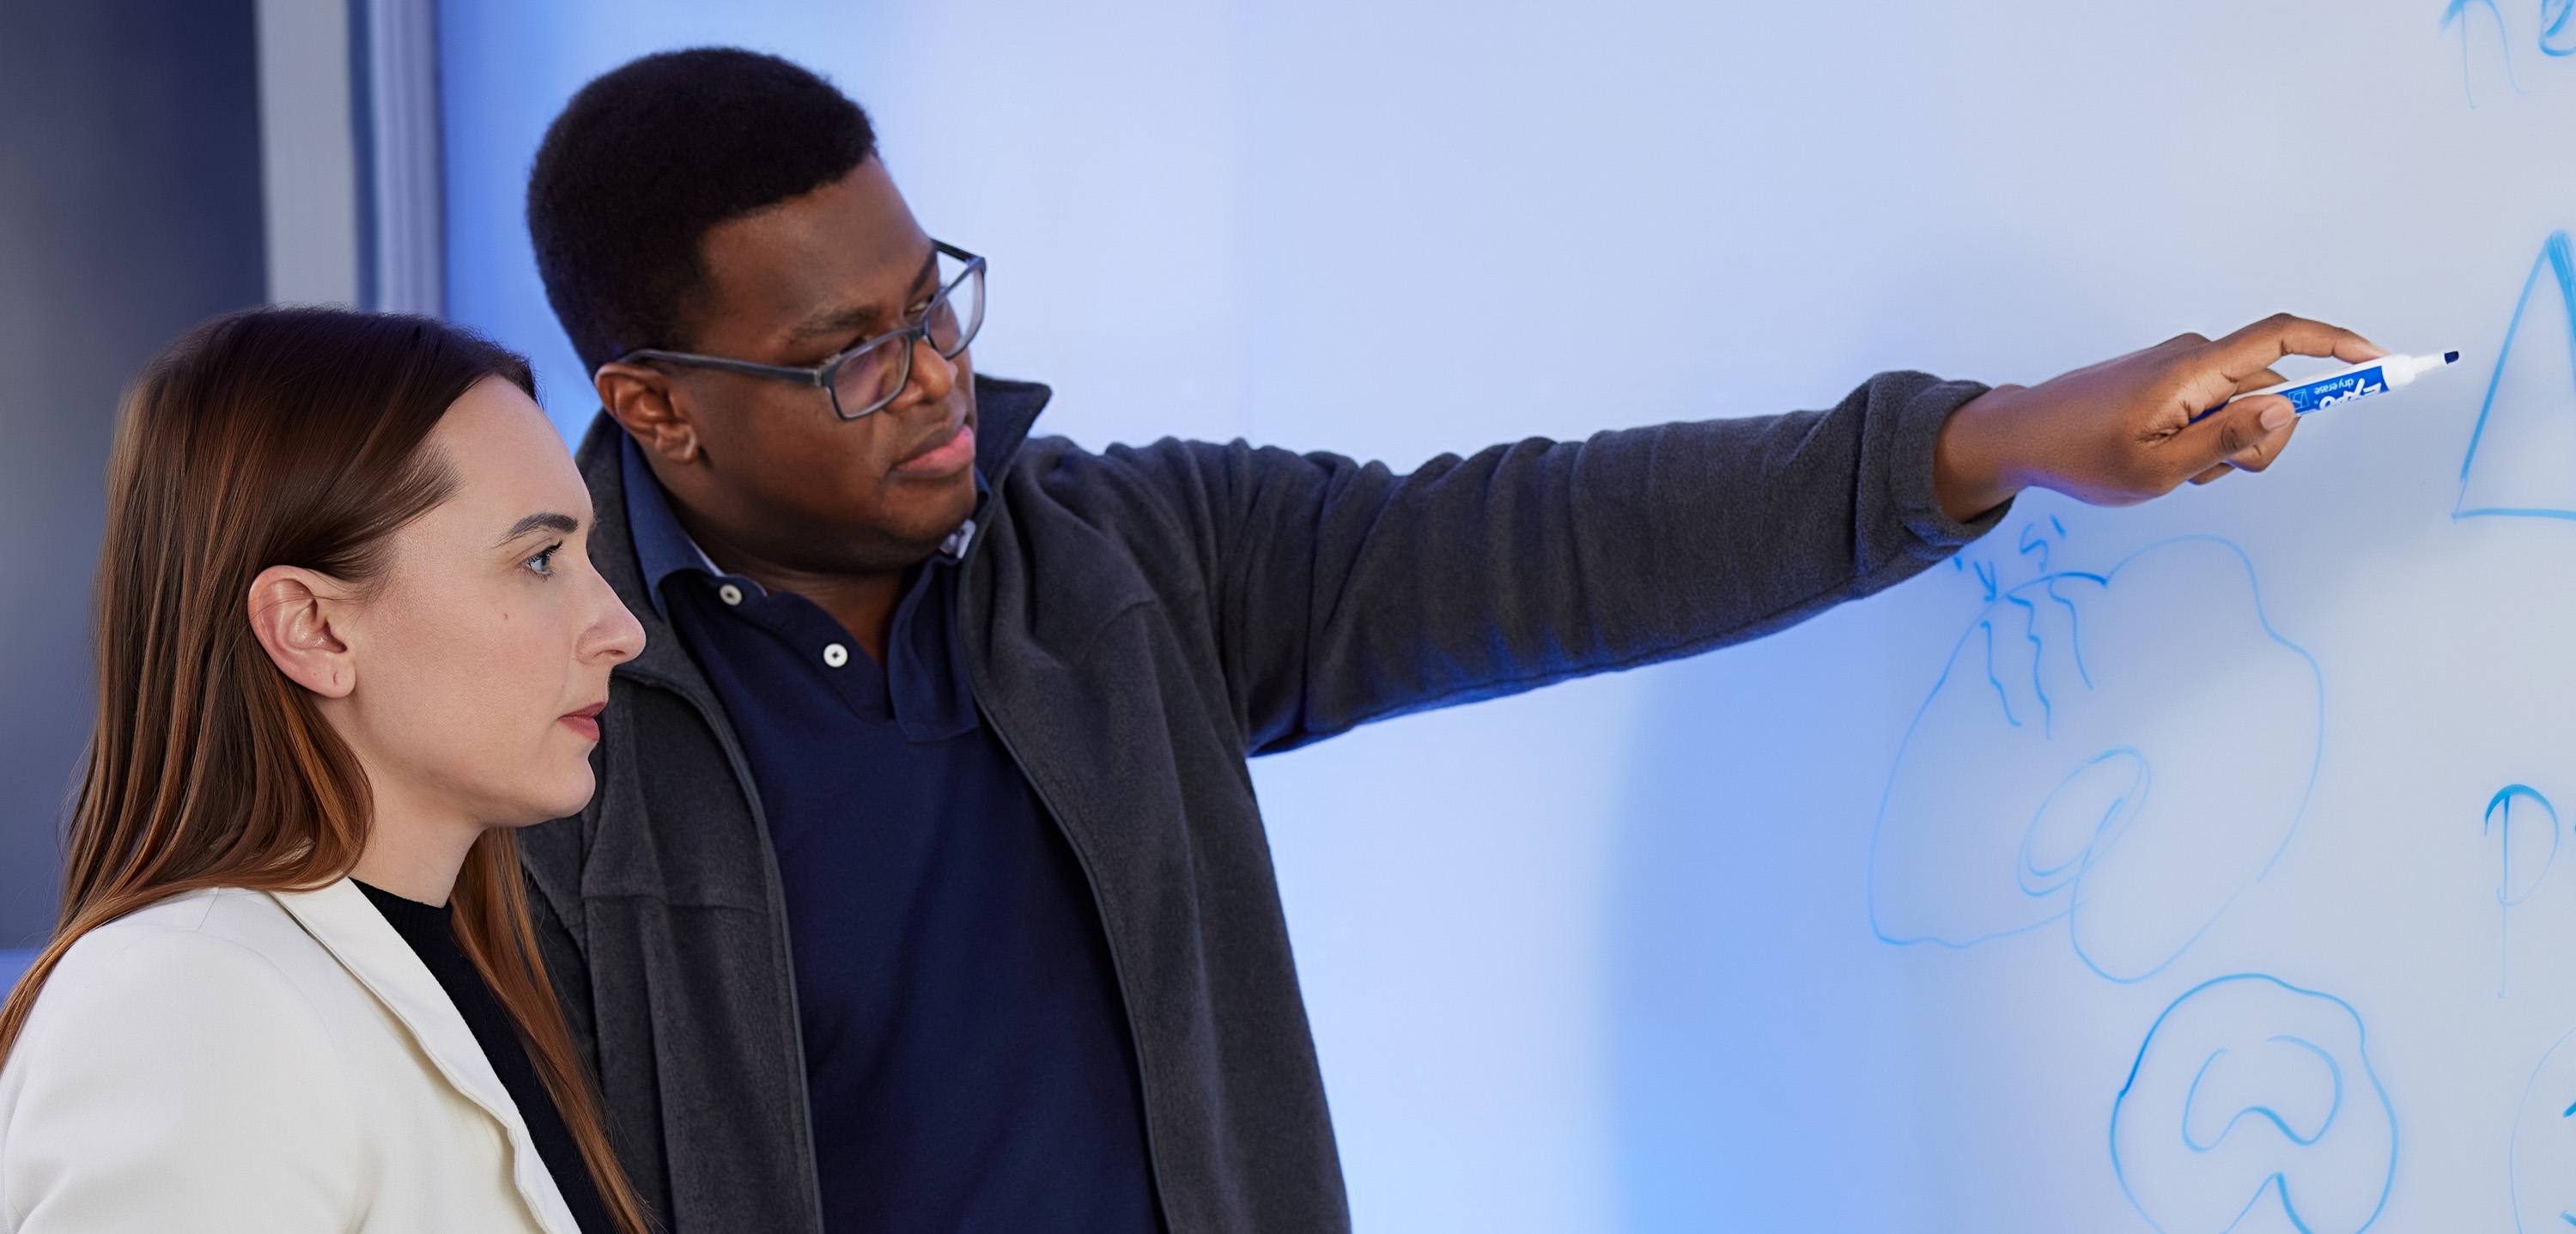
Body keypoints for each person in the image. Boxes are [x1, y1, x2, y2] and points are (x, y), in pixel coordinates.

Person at [519, 48, 2384, 1234]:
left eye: (933, 303)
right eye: (850, 356)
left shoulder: (1119, 562)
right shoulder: (546, 728)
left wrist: (1992, 441)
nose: (936, 379)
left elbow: (1537, 536)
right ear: (656, 405)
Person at [0, 308, 654, 1234]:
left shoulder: (457, 972)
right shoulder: (196, 1000)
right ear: (314, 628)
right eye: (540, 559)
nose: (621, 629)